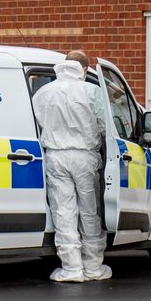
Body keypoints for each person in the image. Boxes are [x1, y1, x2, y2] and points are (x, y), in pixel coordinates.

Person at [32, 50, 111, 282]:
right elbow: (106, 126)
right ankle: (94, 267)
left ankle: (71, 269)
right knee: (89, 212)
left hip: (56, 156)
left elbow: (38, 122)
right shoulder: (92, 92)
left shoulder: (44, 92)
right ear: (85, 69)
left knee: (64, 212)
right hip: (85, 157)